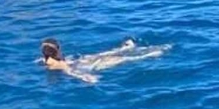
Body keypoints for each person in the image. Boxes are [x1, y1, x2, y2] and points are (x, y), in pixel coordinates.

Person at [39, 37, 169, 85]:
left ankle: (132, 50)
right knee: (115, 58)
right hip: (84, 66)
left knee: (104, 57)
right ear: (58, 49)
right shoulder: (59, 63)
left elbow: (67, 68)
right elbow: (71, 71)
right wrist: (87, 77)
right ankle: (144, 53)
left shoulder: (46, 61)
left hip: (82, 63)